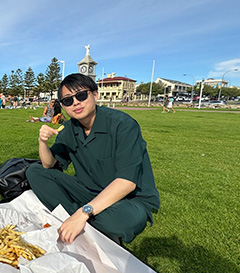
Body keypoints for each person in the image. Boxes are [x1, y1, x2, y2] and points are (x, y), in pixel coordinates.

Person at [26, 73, 160, 245]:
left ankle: (76, 218)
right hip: (88, 192)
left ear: (95, 95)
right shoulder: (68, 128)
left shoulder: (123, 125)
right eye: (67, 100)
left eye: (81, 95)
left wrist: (82, 213)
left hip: (129, 199)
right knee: (35, 172)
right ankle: (84, 219)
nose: (75, 102)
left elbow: (127, 183)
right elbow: (48, 164)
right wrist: (42, 142)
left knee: (121, 221)